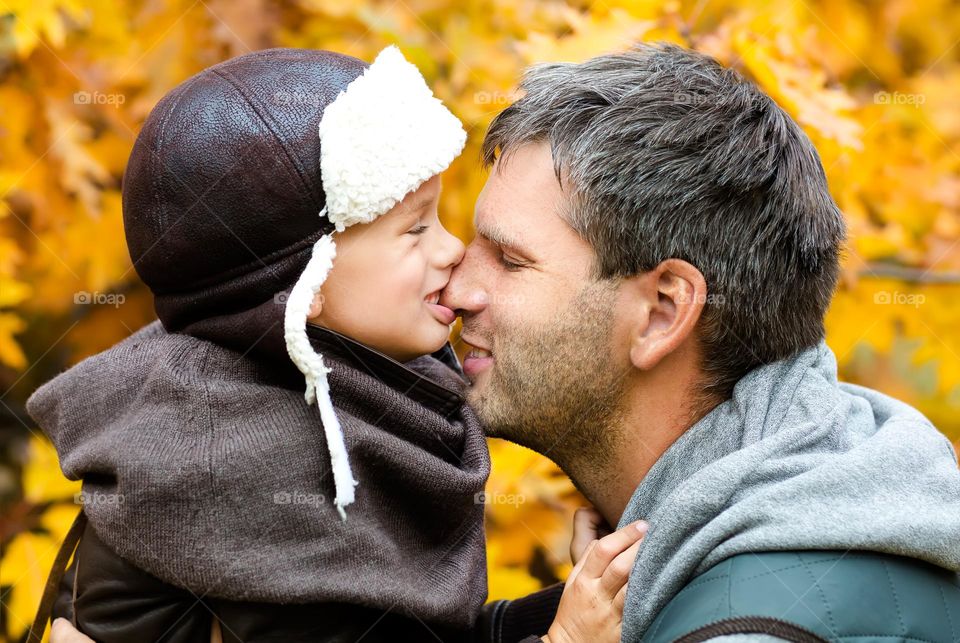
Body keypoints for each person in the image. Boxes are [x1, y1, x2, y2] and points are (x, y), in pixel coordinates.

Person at [27, 46, 641, 643]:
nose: (453, 250)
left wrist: (567, 604)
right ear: (307, 282)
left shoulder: (289, 379)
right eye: (416, 228)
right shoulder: (242, 458)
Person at [441, 43, 960, 641]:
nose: (456, 289)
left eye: (510, 260)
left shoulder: (750, 628)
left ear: (663, 312)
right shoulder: (825, 513)